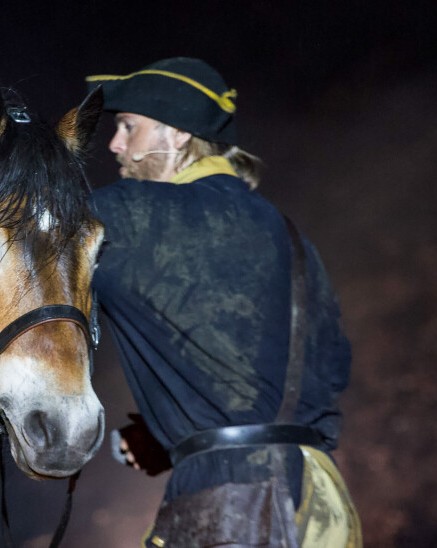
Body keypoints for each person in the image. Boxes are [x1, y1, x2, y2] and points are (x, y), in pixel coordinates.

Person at [85, 58, 362, 546]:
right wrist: (179, 431)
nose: (115, 144)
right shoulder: (290, 235)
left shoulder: (132, 216)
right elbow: (332, 365)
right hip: (322, 502)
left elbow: (19, 228)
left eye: (129, 127)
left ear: (177, 136)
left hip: (231, 507)